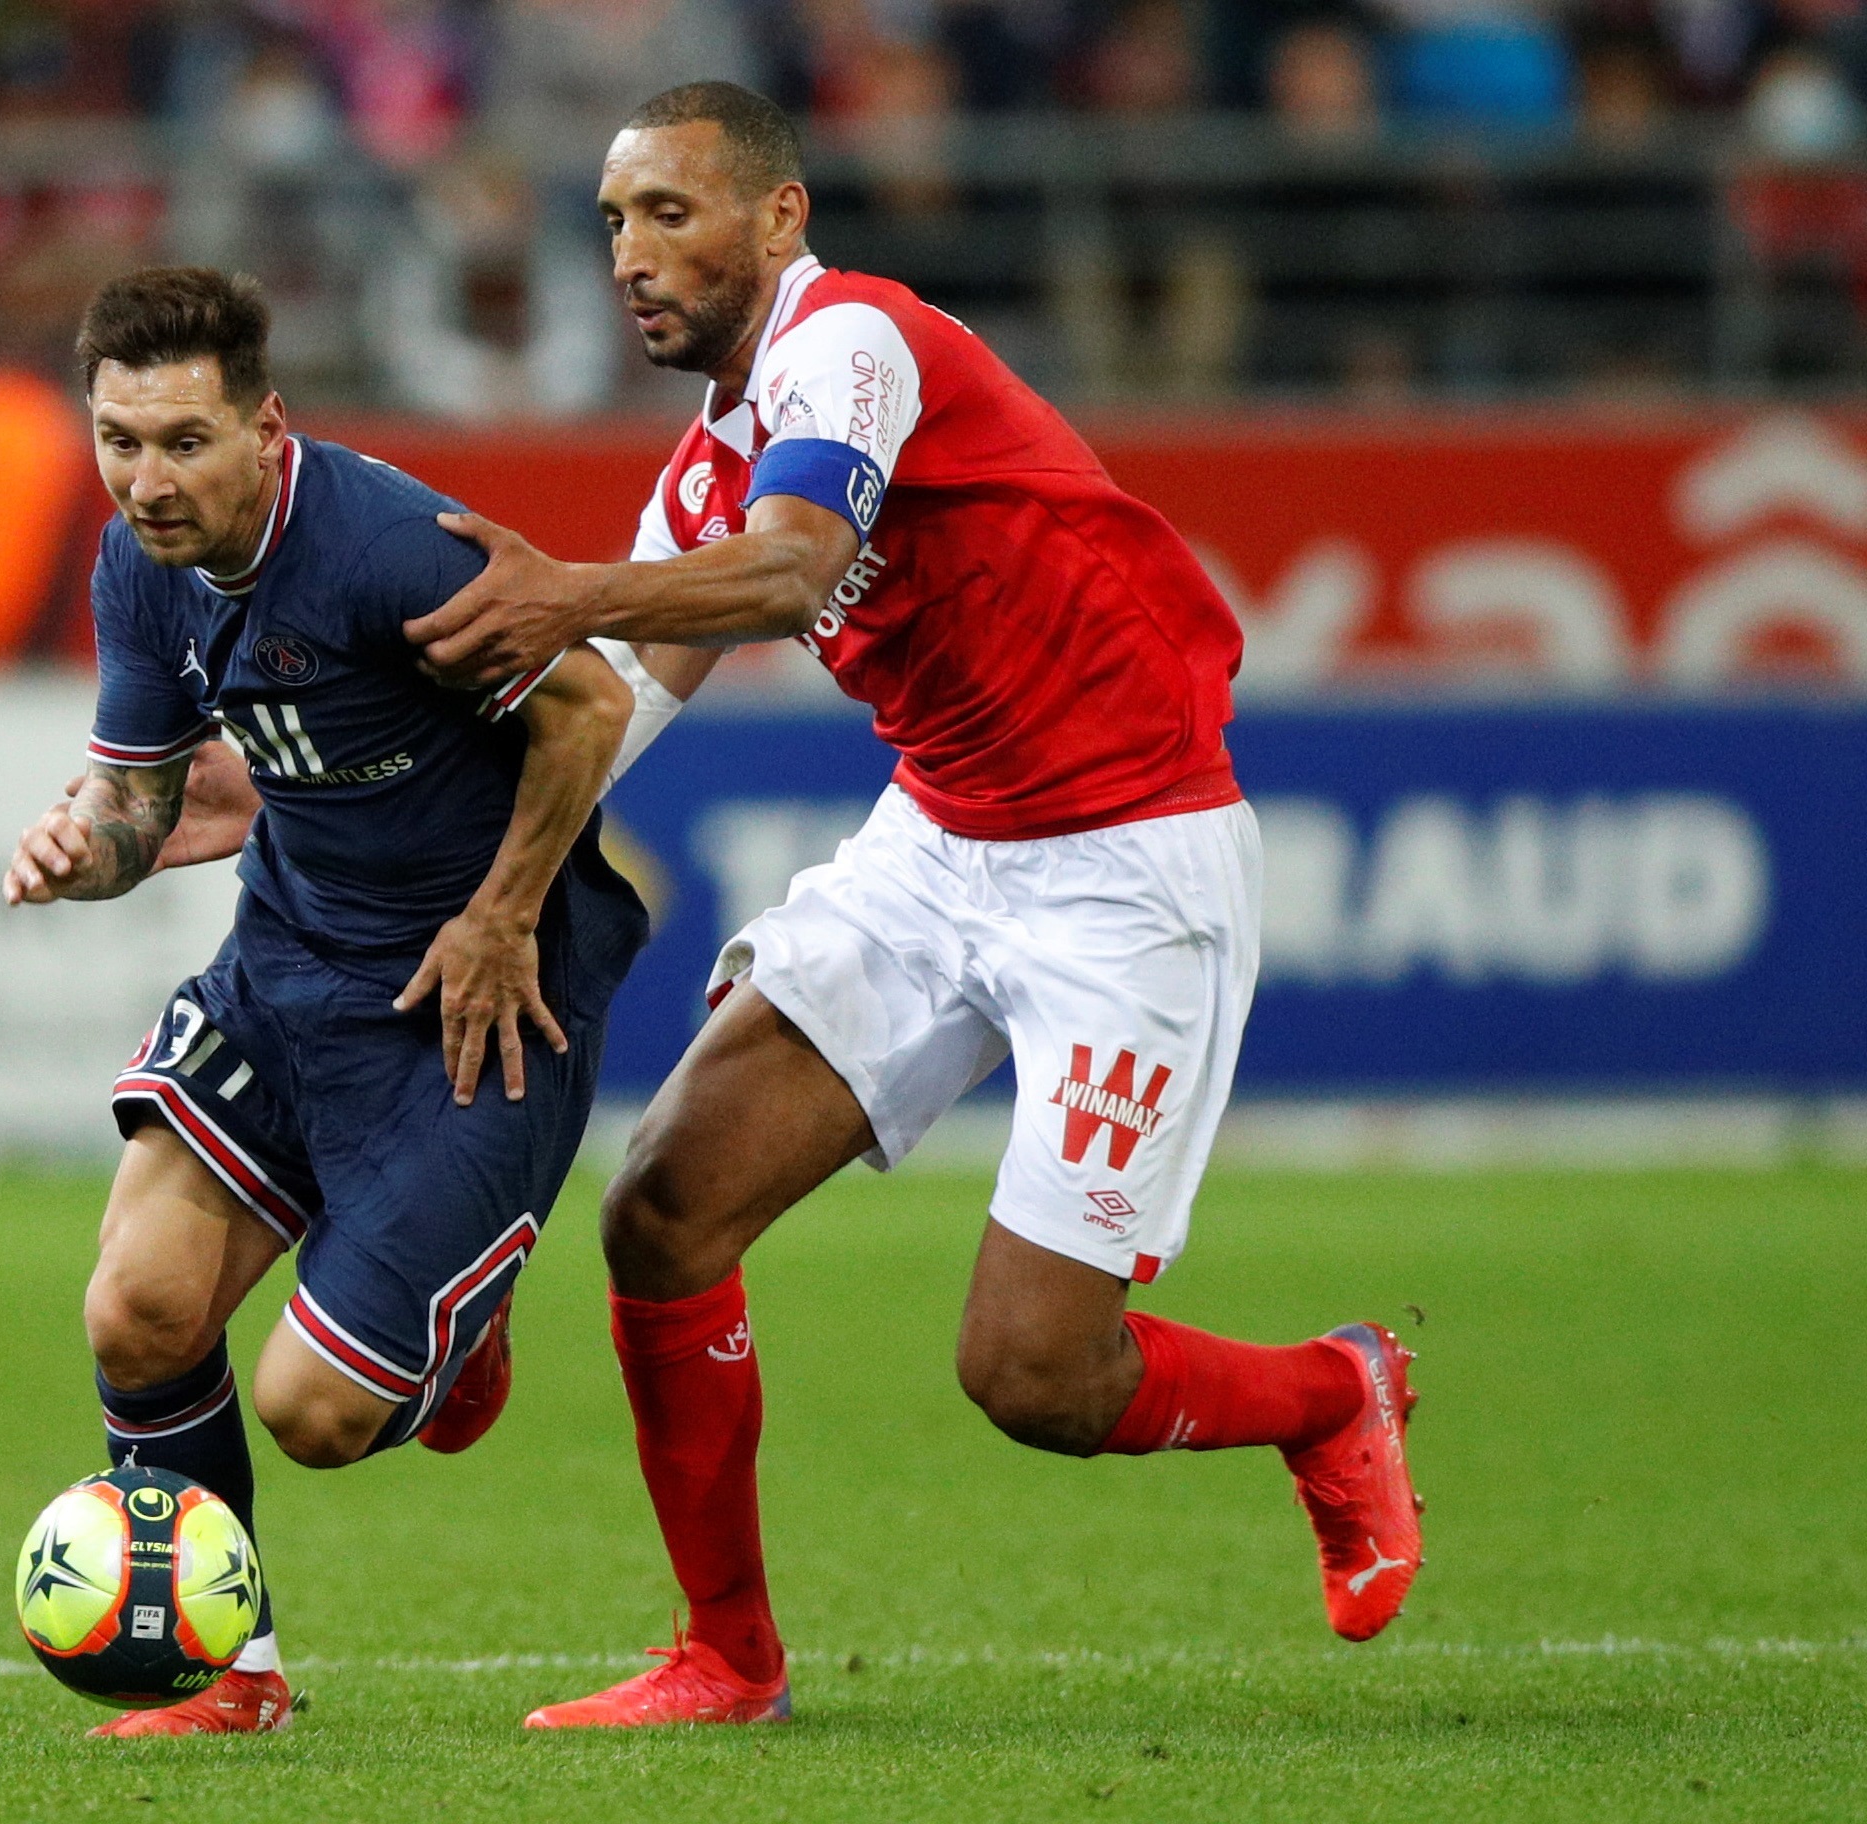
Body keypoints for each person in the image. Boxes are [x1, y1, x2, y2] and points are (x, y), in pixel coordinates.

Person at [402, 81, 1424, 1727]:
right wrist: (468, 882)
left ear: (782, 218)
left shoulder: (853, 344)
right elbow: (611, 702)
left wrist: (569, 585)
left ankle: (1330, 1394)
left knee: (1034, 1377)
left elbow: (793, 569)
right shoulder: (707, 457)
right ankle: (727, 1660)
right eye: (612, 222)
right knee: (660, 1210)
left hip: (1127, 862)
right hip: (940, 844)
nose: (632, 257)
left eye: (672, 212)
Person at [1, 266, 647, 1738]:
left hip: (475, 999)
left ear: (265, 428)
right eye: (118, 441)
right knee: (138, 1312)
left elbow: (590, 707)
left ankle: (452, 1338)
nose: (147, 480)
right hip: (287, 966)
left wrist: (501, 915)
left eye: (183, 442)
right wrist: (79, 852)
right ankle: (238, 1676)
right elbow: (142, 810)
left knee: (318, 1415)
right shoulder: (135, 568)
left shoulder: (386, 548)